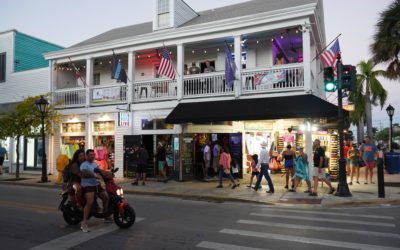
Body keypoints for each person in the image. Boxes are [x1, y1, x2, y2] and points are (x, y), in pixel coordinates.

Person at [80, 149, 110, 233]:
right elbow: (84, 172)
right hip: (88, 185)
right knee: (89, 202)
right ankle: (84, 222)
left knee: (106, 198)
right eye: (90, 155)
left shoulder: (94, 164)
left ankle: (106, 215)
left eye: (93, 155)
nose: (92, 156)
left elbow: (99, 171)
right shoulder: (84, 165)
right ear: (87, 156)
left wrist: (108, 174)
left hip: (96, 184)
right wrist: (93, 175)